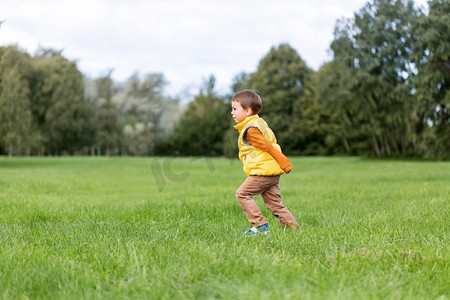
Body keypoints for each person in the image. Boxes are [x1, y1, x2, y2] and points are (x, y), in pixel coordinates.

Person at [231, 89, 301, 235]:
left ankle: (260, 225)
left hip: (263, 172)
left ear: (248, 111)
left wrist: (285, 163)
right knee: (274, 204)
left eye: (235, 109)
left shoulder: (251, 130)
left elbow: (268, 147)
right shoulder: (257, 122)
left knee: (242, 194)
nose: (232, 113)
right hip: (271, 171)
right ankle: (295, 231)